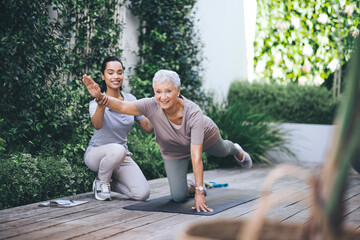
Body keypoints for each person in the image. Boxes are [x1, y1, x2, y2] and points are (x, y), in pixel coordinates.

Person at [82, 69, 252, 212]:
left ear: (178, 90)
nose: (163, 97)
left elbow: (196, 157)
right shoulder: (150, 105)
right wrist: (100, 97)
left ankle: (237, 149)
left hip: (205, 138)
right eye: (158, 91)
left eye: (168, 91)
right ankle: (190, 185)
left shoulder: (194, 113)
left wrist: (200, 193)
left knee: (222, 150)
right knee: (178, 196)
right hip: (174, 148)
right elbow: (122, 106)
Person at [84, 56, 153, 201]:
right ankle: (100, 181)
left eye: (119, 72)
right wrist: (101, 103)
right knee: (118, 149)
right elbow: (97, 125)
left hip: (122, 156)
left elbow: (147, 127)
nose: (116, 76)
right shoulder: (95, 101)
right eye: (110, 72)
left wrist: (161, 111)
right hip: (96, 155)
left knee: (142, 194)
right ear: (103, 76)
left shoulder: (130, 100)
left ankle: (110, 183)